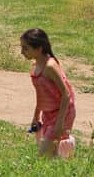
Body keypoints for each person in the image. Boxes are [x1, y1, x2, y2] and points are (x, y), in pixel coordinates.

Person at [20, 28, 76, 160]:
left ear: (39, 49)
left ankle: (68, 143)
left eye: (25, 48)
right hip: (48, 112)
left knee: (43, 157)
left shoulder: (50, 66)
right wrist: (36, 116)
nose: (22, 52)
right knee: (50, 153)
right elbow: (41, 94)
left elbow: (66, 94)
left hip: (62, 112)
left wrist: (60, 123)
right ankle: (66, 146)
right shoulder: (35, 65)